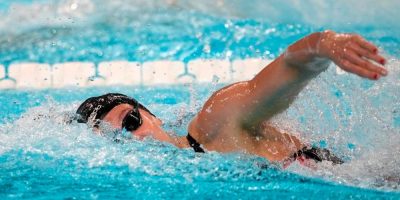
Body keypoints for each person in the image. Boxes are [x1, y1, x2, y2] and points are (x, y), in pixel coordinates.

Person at [75, 30, 388, 168]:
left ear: (151, 115)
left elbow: (288, 67)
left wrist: (323, 44)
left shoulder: (214, 122)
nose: (135, 139)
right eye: (118, 141)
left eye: (131, 122)